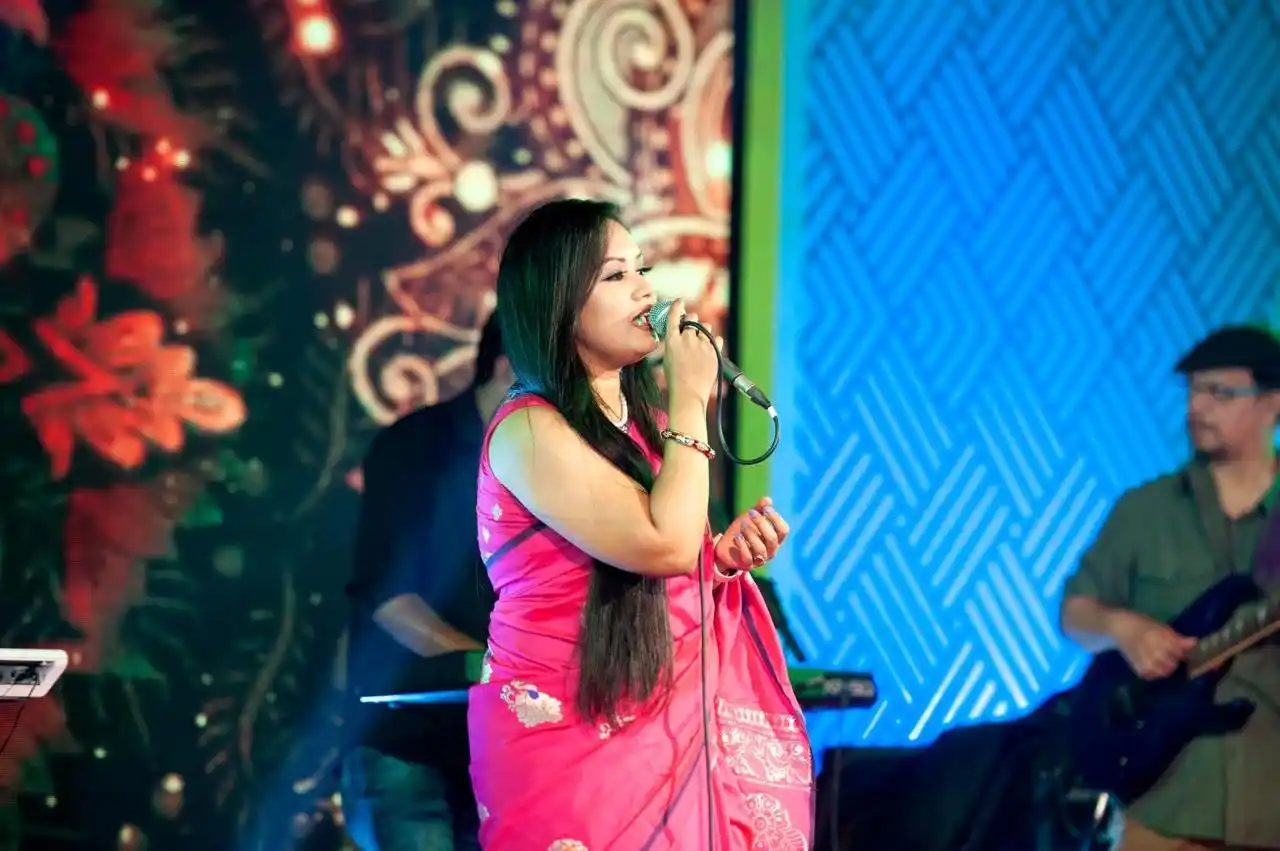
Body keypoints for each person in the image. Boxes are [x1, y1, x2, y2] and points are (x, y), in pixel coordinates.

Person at [467, 198, 813, 849]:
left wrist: (721, 560)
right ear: (560, 302)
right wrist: (690, 396)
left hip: (660, 731)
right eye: (617, 275)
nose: (646, 291)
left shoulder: (649, 429)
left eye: (642, 269)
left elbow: (679, 551)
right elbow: (661, 545)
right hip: (566, 737)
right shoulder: (528, 430)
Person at [1060, 325, 1280, 851]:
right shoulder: (1145, 509)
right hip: (1159, 811)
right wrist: (1123, 628)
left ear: (1272, 404)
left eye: (1220, 393)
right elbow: (1075, 613)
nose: (1197, 408)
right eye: (1193, 391)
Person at [342, 310, 514, 851]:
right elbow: (389, 598)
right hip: (409, 744)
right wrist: (489, 665)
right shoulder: (414, 446)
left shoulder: (549, 465)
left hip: (503, 742)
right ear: (507, 369)